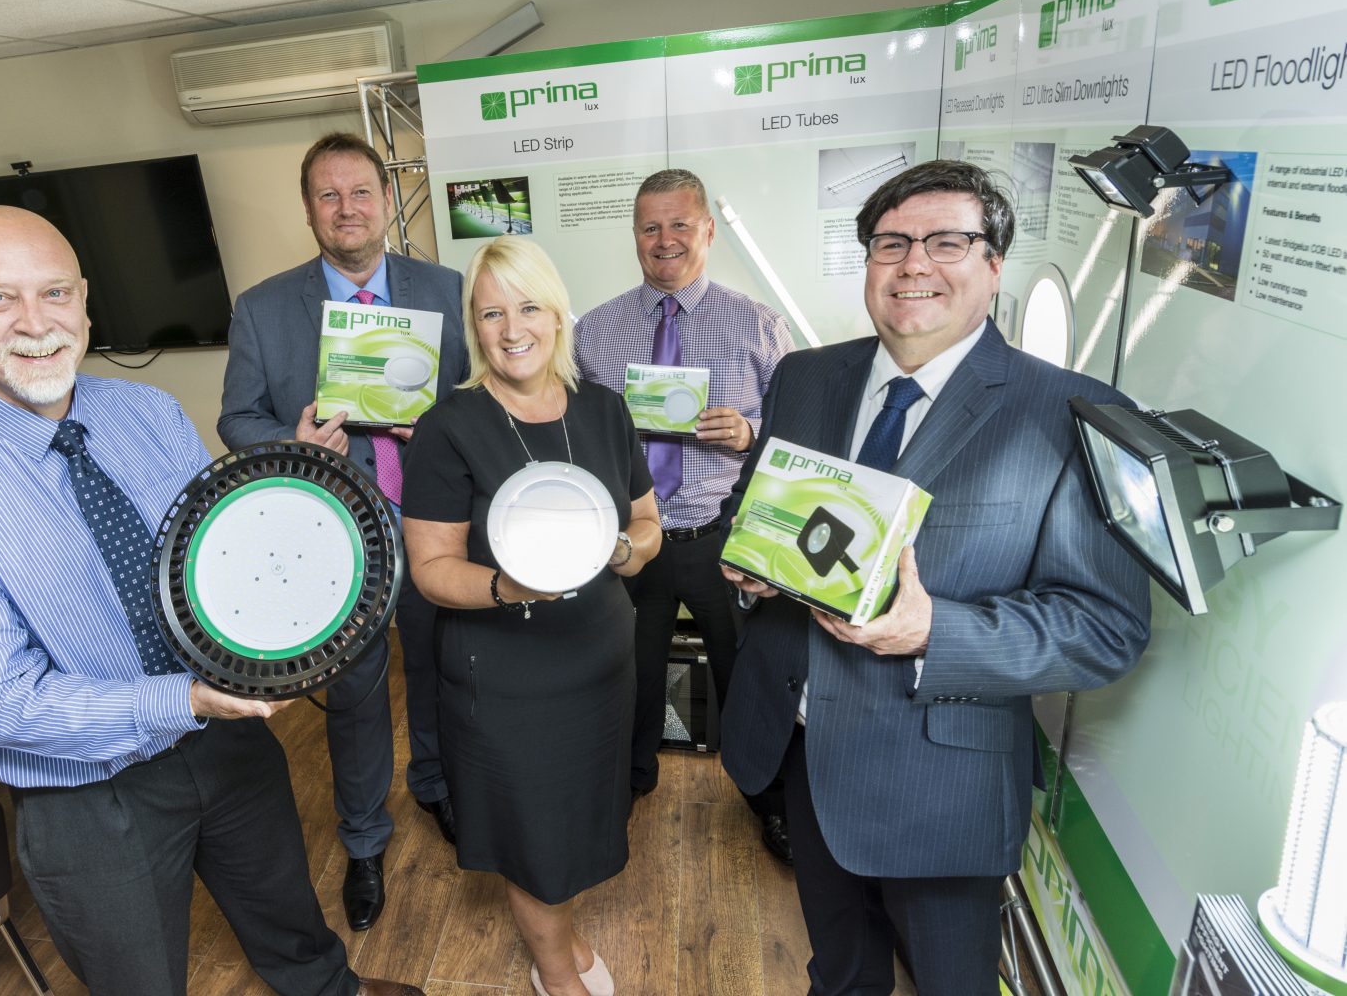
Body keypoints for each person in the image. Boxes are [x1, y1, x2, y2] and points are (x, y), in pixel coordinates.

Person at [0, 205, 422, 996]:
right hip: (87, 793)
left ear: (84, 299)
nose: (35, 323)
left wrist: (293, 515)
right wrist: (186, 697)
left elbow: (217, 567)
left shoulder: (148, 415)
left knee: (287, 913)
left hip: (227, 743)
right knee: (138, 981)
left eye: (54, 293)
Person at [719, 160, 1152, 996]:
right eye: (891, 244)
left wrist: (934, 631)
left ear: (993, 265)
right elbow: (752, 508)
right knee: (839, 976)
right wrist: (749, 566)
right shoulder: (806, 378)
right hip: (802, 751)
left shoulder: (1069, 414)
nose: (914, 264)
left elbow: (1104, 629)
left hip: (941, 783)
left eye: (947, 241)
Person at [218, 132, 467, 931]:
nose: (346, 209)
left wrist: (444, 425)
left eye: (360, 192)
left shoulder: (447, 287)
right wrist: (290, 441)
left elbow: (476, 392)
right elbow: (234, 418)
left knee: (437, 667)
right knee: (356, 692)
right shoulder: (262, 307)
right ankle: (363, 842)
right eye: (329, 196)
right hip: (336, 530)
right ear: (308, 210)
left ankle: (435, 788)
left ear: (386, 201)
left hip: (435, 520)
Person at [401, 236, 661, 996]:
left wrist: (622, 550)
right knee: (532, 831)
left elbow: (647, 523)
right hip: (507, 678)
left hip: (601, 663)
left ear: (557, 314)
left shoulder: (604, 410)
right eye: (490, 313)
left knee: (579, 818)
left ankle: (565, 931)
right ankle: (554, 969)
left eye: (527, 307)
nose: (511, 328)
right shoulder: (450, 426)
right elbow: (432, 570)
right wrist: (511, 588)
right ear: (474, 328)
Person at [575, 168, 794, 861]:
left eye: (678, 226)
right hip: (633, 539)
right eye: (649, 227)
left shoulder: (757, 323)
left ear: (707, 230)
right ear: (634, 236)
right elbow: (574, 431)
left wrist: (751, 432)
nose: (663, 240)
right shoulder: (596, 331)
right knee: (628, 673)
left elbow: (796, 436)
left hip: (718, 533)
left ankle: (769, 800)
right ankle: (629, 784)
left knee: (747, 675)